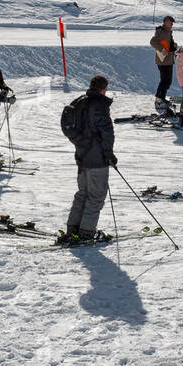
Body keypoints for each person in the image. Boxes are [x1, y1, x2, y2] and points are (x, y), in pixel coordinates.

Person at [60, 75, 116, 245]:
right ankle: (86, 232)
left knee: (82, 194)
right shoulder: (98, 105)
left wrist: (79, 142)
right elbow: (107, 132)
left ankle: (73, 229)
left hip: (82, 155)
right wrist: (109, 154)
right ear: (103, 88)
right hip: (96, 157)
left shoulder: (80, 101)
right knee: (96, 196)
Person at [150, 16, 179, 115]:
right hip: (163, 61)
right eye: (171, 22)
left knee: (168, 81)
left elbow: (168, 44)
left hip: (168, 60)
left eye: (172, 22)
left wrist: (173, 46)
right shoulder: (161, 31)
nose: (172, 24)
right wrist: (162, 50)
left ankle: (161, 98)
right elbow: (153, 42)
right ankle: (158, 101)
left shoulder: (168, 31)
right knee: (165, 80)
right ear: (166, 22)